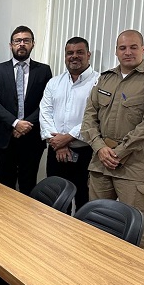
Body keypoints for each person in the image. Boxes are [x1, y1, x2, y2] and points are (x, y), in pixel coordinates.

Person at [81, 29, 144, 251]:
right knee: (96, 224)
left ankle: (140, 272)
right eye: (122, 48)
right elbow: (89, 118)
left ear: (143, 49)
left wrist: (119, 152)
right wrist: (100, 148)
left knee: (139, 232)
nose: (128, 52)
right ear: (116, 51)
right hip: (101, 164)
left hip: (134, 167)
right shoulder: (105, 79)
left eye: (133, 47)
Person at [0, 26, 52, 195]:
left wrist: (26, 124)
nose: (22, 44)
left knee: (28, 185)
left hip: (32, 137)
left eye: (26, 41)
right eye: (17, 41)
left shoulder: (43, 70)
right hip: (5, 136)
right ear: (11, 45)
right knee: (5, 185)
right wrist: (15, 123)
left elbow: (47, 103)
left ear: (33, 44)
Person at [39, 36, 99, 210]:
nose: (74, 56)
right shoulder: (54, 82)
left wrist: (68, 138)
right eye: (70, 53)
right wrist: (58, 143)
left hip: (85, 152)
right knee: (55, 203)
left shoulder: (99, 82)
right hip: (56, 151)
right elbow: (45, 113)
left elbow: (96, 117)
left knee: (83, 202)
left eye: (79, 52)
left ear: (88, 55)